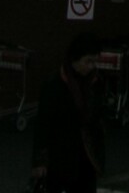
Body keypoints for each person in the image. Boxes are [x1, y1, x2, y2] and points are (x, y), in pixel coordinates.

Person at [31, 31, 107, 193]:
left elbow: (98, 118)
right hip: (60, 155)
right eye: (88, 61)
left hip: (86, 156)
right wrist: (40, 161)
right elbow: (43, 124)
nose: (92, 66)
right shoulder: (54, 85)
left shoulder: (95, 83)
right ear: (75, 59)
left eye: (95, 61)